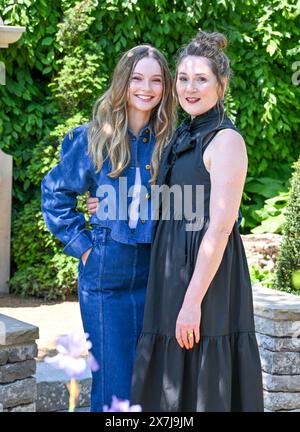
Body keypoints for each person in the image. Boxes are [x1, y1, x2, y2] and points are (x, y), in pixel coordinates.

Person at [129, 31, 264, 412]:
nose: (190, 88)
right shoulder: (180, 132)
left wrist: (191, 302)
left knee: (203, 379)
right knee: (171, 381)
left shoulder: (225, 141)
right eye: (184, 78)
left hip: (206, 280)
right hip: (172, 270)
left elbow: (221, 227)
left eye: (201, 79)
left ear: (221, 84)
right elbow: (175, 202)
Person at [41, 44, 175, 412]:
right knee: (114, 385)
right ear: (122, 82)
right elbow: (55, 194)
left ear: (165, 87)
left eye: (156, 80)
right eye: (137, 78)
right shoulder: (92, 138)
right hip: (106, 275)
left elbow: (185, 199)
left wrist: (118, 204)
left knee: (155, 383)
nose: (146, 88)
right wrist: (84, 246)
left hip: (157, 275)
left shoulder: (172, 141)